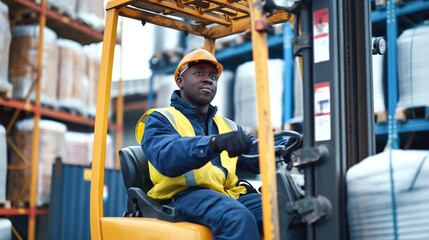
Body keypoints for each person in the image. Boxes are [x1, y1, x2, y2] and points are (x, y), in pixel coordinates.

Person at [136, 48, 284, 240]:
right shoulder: (160, 119)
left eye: (213, 76)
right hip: (184, 196)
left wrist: (286, 146)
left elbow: (255, 152)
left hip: (229, 195)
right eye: (199, 73)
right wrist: (214, 143)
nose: (208, 79)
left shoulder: (226, 126)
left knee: (284, 209)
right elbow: (167, 157)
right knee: (236, 218)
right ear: (180, 81)